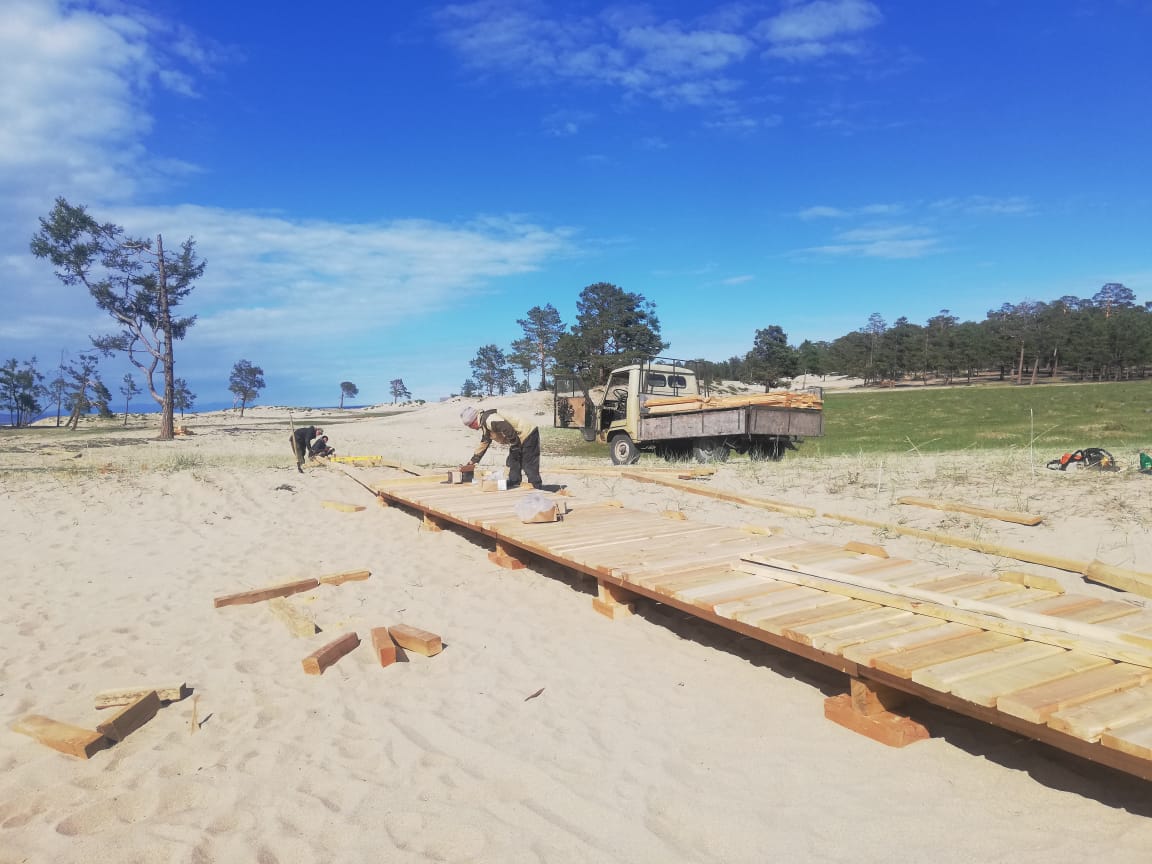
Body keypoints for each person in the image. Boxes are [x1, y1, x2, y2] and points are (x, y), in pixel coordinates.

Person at [460, 406, 542, 489]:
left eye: (470, 426)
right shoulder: (484, 423)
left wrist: (515, 446)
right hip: (518, 437)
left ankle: (536, 487)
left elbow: (507, 429)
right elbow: (485, 442)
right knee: (512, 462)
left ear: (473, 421)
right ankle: (515, 483)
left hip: (528, 432)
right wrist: (473, 460)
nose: (471, 428)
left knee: (528, 463)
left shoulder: (489, 419)